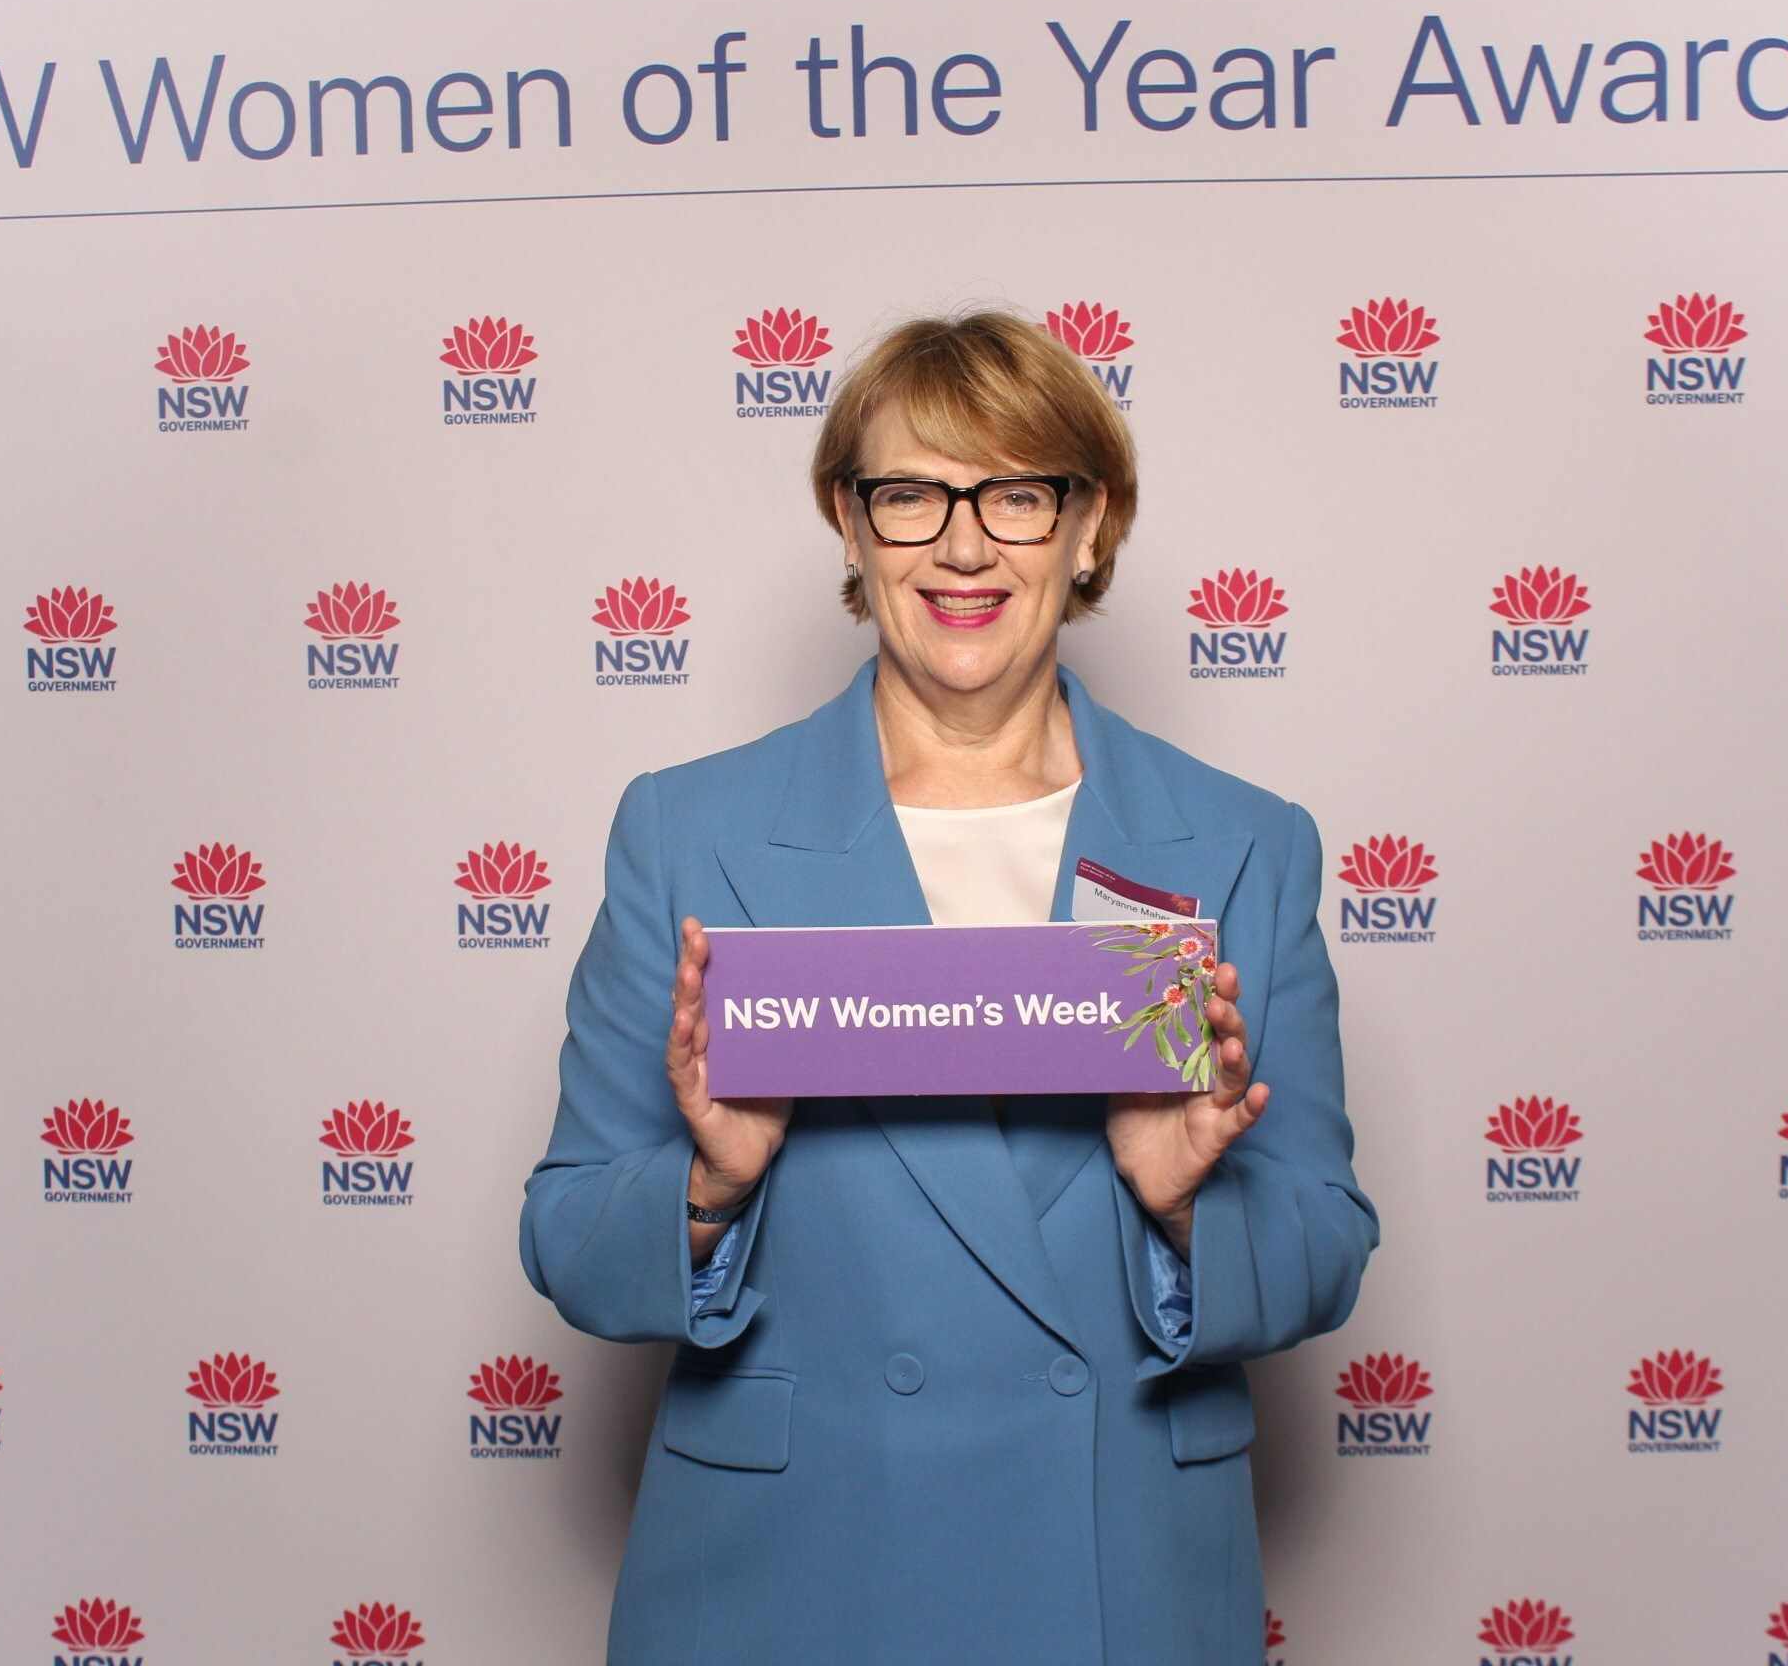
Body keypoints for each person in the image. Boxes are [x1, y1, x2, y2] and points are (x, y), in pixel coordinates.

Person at [520, 310, 1377, 1665]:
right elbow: (569, 1237)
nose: (963, 547)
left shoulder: (1244, 844)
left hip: (1113, 1572)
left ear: (1091, 528)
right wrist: (710, 1188)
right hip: (793, 1578)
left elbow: (1325, 1247)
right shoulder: (691, 833)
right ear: (850, 527)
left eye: (1017, 495)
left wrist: (1181, 1211)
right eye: (910, 494)